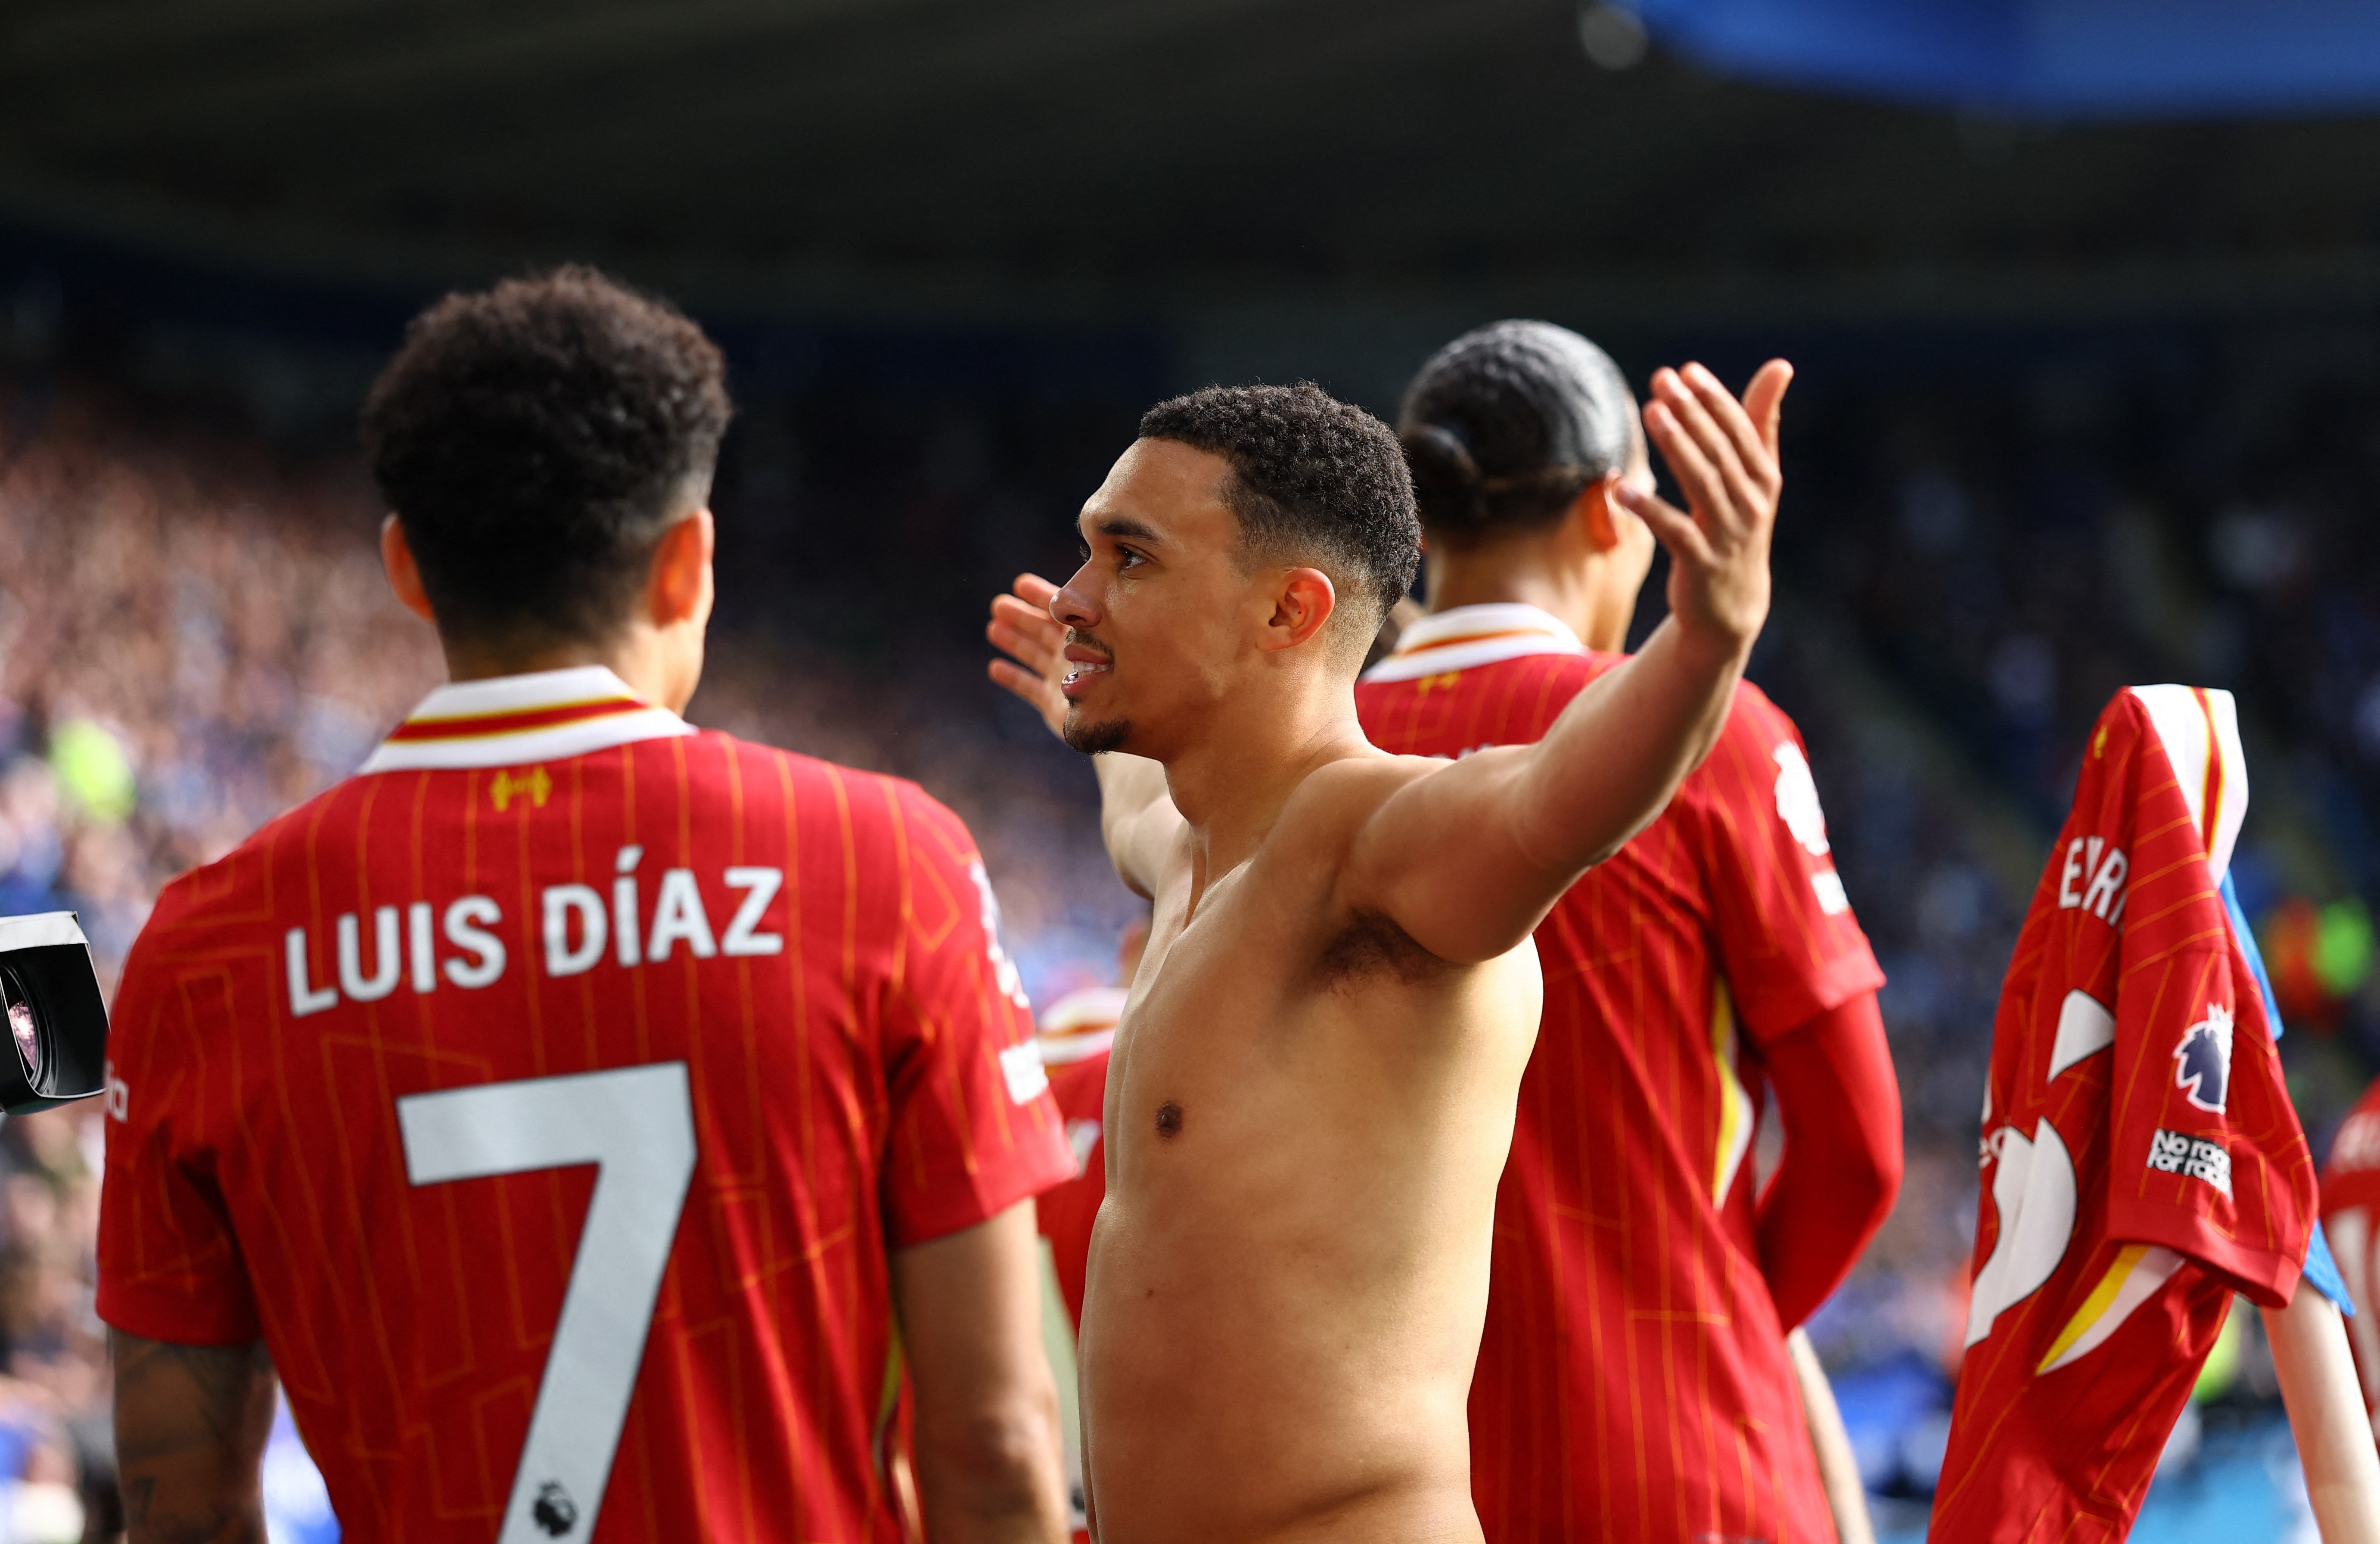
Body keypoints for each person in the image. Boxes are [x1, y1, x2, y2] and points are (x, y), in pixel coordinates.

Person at [95, 269, 1076, 1544]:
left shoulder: (204, 946)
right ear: (689, 563)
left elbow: (179, 1513)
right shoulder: (883, 861)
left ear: (408, 568)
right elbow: (994, 1444)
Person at [986, 362, 1789, 1542]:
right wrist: (1099, 706)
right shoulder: (1196, 863)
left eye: (1130, 558)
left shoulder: (1370, 840)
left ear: (1287, 611)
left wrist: (1709, 637)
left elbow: (1548, 807)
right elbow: (1136, 820)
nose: (1073, 596)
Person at [1356, 320, 1901, 1543]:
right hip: (1684, 1460)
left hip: (1382, 1478)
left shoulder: (1303, 753)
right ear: (1617, 515)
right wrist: (1716, 1310)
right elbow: (1858, 1146)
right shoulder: (1714, 735)